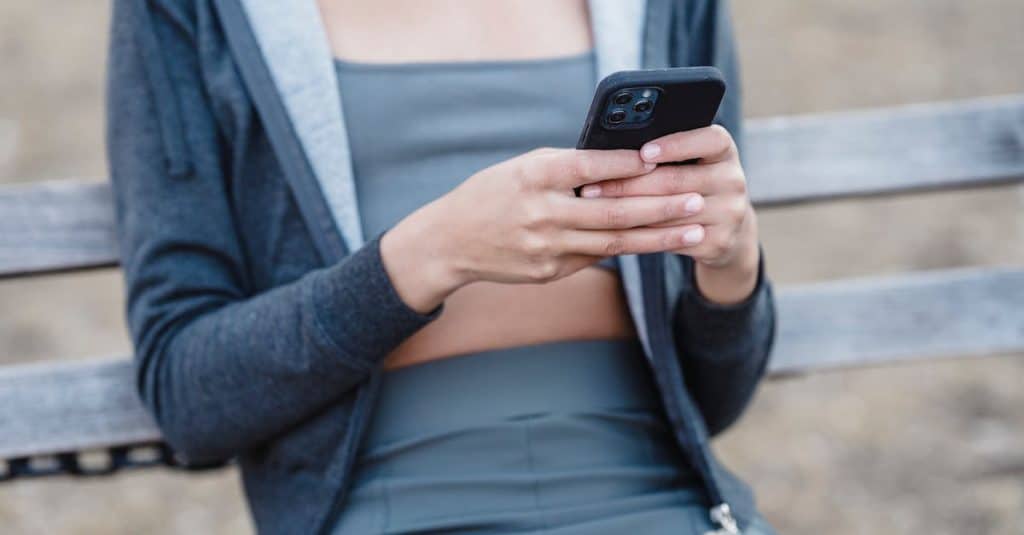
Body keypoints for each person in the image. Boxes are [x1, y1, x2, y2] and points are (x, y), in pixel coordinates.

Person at [106, 0, 777, 533]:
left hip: (661, 500)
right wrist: (431, 252)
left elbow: (717, 399)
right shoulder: (194, 11)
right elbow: (187, 393)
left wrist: (730, 264)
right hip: (395, 506)